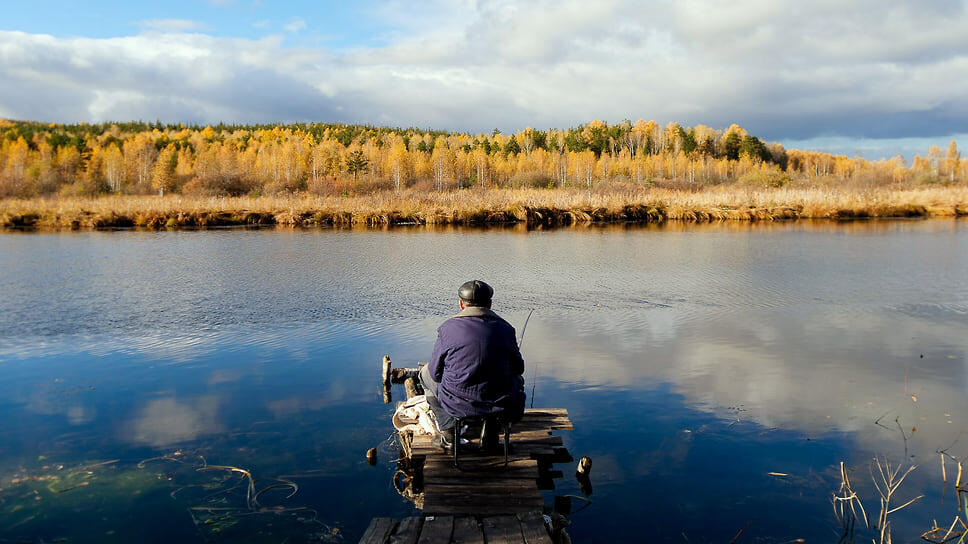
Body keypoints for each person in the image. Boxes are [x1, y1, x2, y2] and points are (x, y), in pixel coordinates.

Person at [419, 280, 526, 450]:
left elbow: (435, 373)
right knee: (516, 380)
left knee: (424, 375)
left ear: (461, 304)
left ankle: (449, 436)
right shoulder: (507, 329)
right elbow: (518, 369)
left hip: (456, 404)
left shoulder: (447, 328)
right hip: (499, 403)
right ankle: (490, 438)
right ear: (490, 304)